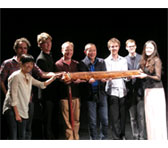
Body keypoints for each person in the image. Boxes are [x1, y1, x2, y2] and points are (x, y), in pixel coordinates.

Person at [0, 37, 55, 139]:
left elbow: (41, 84)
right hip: (14, 107)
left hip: (25, 104)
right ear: (21, 64)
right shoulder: (15, 74)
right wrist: (16, 113)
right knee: (13, 135)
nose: (30, 66)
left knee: (24, 133)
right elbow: (13, 97)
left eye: (31, 65)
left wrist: (54, 77)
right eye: (20, 48)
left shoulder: (28, 76)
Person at [78, 43, 108, 140]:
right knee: (92, 121)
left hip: (101, 94)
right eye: (89, 50)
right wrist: (87, 81)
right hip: (89, 95)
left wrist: (104, 80)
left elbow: (104, 75)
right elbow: (81, 79)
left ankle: (103, 139)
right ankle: (93, 141)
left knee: (104, 119)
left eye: (94, 50)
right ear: (85, 52)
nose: (92, 52)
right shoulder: (82, 63)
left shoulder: (101, 61)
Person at [139, 40, 167, 140]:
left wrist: (145, 75)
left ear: (154, 49)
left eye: (151, 48)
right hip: (148, 91)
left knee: (157, 117)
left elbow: (158, 77)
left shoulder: (156, 60)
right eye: (147, 48)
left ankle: (159, 140)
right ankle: (152, 140)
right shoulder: (144, 60)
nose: (148, 50)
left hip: (156, 91)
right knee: (150, 117)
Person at [55, 41, 80, 140]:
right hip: (64, 96)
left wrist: (79, 80)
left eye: (70, 50)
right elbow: (56, 81)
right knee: (67, 121)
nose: (69, 52)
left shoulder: (76, 64)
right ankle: (70, 141)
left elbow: (82, 78)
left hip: (76, 95)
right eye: (66, 50)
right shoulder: (58, 64)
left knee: (76, 120)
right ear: (62, 51)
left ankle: (76, 139)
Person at [104, 38, 128, 140]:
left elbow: (125, 76)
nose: (114, 48)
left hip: (122, 90)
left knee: (123, 116)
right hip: (112, 90)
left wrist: (125, 76)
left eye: (116, 46)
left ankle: (122, 135)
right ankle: (116, 137)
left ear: (119, 47)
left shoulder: (123, 60)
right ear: (109, 48)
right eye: (112, 46)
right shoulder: (105, 61)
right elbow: (107, 76)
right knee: (114, 116)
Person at [36, 32, 58, 139]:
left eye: (49, 42)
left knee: (52, 120)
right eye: (45, 43)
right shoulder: (41, 59)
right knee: (47, 121)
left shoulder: (49, 55)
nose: (48, 45)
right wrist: (58, 74)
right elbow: (44, 75)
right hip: (46, 94)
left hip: (52, 94)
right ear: (40, 45)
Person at [125, 39, 146, 140]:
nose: (131, 48)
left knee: (141, 116)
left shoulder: (142, 58)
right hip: (129, 91)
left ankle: (141, 137)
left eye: (133, 46)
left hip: (140, 90)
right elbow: (124, 75)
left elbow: (146, 73)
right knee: (132, 117)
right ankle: (135, 136)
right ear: (126, 48)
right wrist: (128, 78)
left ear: (136, 47)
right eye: (129, 46)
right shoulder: (124, 60)